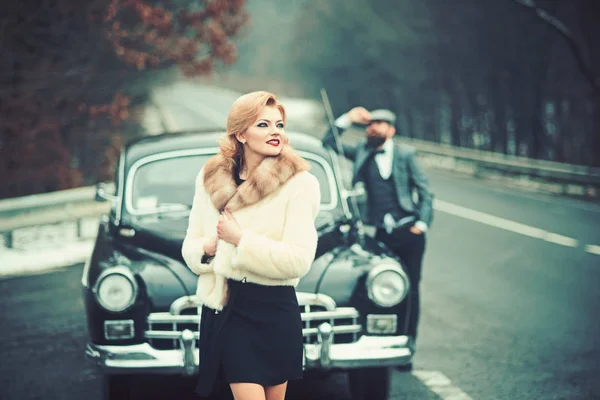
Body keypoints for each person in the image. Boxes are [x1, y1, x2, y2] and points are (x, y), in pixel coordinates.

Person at [182, 91, 321, 400]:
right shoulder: (210, 179)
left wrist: (241, 241)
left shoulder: (300, 183)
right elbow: (191, 245)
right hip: (227, 308)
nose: (275, 132)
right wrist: (209, 246)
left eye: (280, 125)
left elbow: (299, 261)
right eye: (263, 124)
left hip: (274, 308)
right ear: (241, 133)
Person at [322, 106, 433, 357]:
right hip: (380, 233)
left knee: (411, 289)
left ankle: (408, 343)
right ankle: (379, 340)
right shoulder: (362, 151)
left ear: (391, 130)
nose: (373, 127)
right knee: (384, 288)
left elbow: (425, 191)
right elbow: (329, 143)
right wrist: (348, 119)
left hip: (409, 231)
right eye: (371, 123)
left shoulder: (406, 155)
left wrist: (422, 224)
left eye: (380, 123)